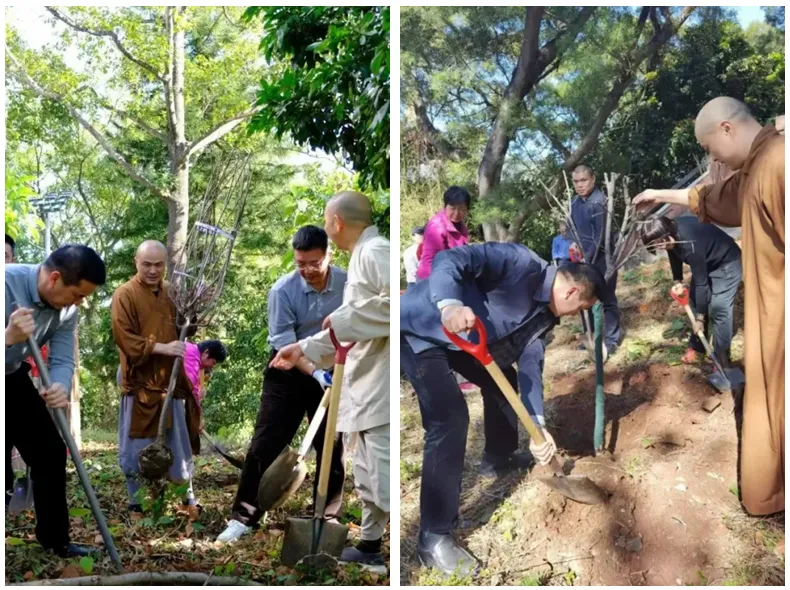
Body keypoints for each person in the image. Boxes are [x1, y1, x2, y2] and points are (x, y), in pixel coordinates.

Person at [400, 243, 605, 575]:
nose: (574, 315)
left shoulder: (546, 316)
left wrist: (537, 424)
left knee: (503, 380)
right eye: (581, 307)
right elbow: (449, 259)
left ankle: (498, 456)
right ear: (571, 291)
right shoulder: (519, 261)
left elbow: (530, 365)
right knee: (449, 418)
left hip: (464, 343)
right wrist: (450, 304)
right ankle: (433, 537)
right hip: (420, 329)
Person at [633, 97, 784, 516]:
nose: (710, 157)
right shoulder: (753, 171)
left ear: (726, 129)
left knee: (719, 309)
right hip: (769, 317)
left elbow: (704, 278)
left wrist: (697, 310)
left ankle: (717, 353)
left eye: (708, 146)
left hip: (755, 291)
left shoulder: (780, 162)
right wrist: (657, 193)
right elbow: (709, 196)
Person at [271, 191, 390, 567]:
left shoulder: (375, 252)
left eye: (325, 220)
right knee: (369, 474)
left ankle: (401, 559)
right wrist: (304, 348)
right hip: (362, 380)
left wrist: (336, 323)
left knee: (384, 475)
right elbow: (353, 326)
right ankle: (370, 547)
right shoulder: (363, 256)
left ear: (337, 222)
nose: (326, 226)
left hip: (378, 382)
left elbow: (394, 306)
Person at [217, 225, 347, 543]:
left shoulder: (349, 284)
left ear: (329, 255)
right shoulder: (282, 291)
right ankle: (243, 518)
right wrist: (316, 374)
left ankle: (326, 515)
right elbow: (286, 345)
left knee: (331, 446)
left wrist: (334, 370)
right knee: (265, 444)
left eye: (314, 263)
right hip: (287, 369)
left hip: (338, 368)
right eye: (300, 263)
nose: (307, 270)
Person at [5, 244, 106, 557]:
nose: (80, 303)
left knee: (49, 451)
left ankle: (55, 541)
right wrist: (7, 338)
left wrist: (60, 385)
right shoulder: (5, 284)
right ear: (55, 279)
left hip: (12, 377)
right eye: (78, 295)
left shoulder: (67, 311)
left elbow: (62, 359)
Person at [111, 240, 199, 512]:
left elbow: (185, 330)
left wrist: (193, 313)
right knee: (136, 445)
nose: (152, 270)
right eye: (146, 264)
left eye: (158, 265)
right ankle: (136, 503)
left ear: (165, 265)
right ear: (135, 262)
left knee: (178, 443)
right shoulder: (124, 294)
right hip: (140, 384)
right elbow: (124, 338)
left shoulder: (172, 292)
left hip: (170, 382)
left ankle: (187, 498)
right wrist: (162, 348)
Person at [640, 216, 742, 372]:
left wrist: (700, 318)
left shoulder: (689, 243)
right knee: (695, 300)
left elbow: (702, 284)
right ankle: (698, 347)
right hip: (706, 260)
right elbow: (672, 251)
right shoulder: (672, 235)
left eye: (659, 242)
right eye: (653, 244)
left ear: (667, 232)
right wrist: (678, 281)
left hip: (726, 262)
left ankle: (722, 360)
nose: (658, 247)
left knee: (719, 308)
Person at [570, 164, 623, 356]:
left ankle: (612, 340)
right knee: (585, 300)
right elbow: (571, 229)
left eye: (583, 180)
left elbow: (601, 236)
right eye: (576, 182)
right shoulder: (574, 203)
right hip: (583, 261)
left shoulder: (601, 202)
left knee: (608, 299)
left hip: (603, 259)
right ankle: (591, 338)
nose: (580, 185)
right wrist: (573, 243)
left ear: (593, 179)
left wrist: (588, 255)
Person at [416, 186, 470, 281]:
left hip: (450, 272)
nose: (457, 213)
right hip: (431, 277)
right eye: (452, 208)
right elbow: (431, 260)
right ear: (445, 206)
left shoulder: (460, 224)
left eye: (462, 209)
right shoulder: (437, 227)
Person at [183, 339, 227, 426]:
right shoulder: (192, 358)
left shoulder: (191, 349)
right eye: (213, 363)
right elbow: (190, 390)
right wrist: (198, 419)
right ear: (206, 353)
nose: (211, 367)